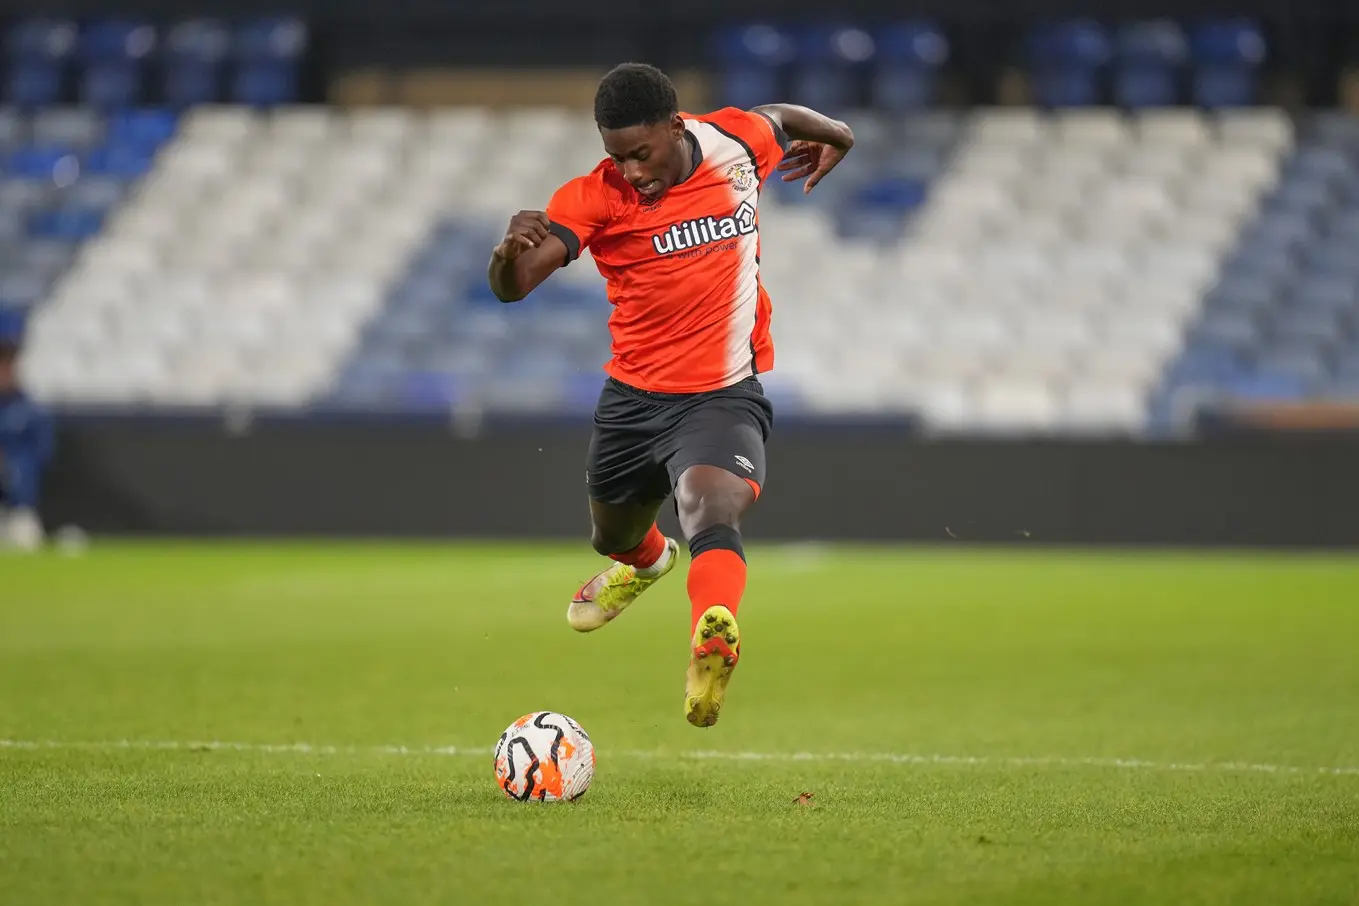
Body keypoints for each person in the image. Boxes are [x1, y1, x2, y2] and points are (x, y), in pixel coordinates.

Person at [487, 62, 853, 727]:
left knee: (709, 509)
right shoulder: (594, 197)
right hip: (632, 400)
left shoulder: (735, 143)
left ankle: (711, 635)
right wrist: (505, 252)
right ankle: (648, 563)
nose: (629, 170)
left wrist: (839, 136)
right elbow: (513, 287)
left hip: (721, 395)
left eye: (640, 153)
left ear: (675, 125)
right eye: (615, 156)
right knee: (613, 537)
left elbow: (787, 117)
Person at [0, 310, 54, 552]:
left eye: (7, 361)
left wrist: (9, 467)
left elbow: (42, 456)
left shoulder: (29, 411)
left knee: (24, 539)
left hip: (17, 510)